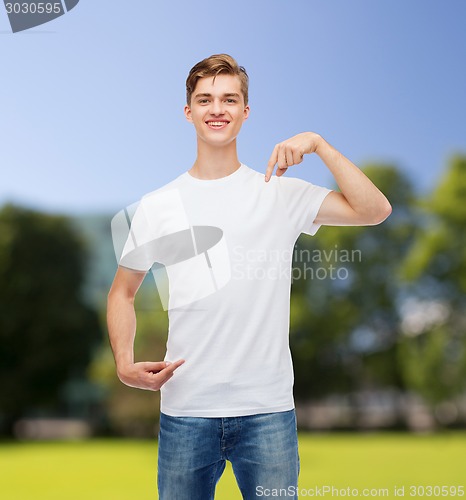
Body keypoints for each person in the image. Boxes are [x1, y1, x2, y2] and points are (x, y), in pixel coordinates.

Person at [107, 54, 392, 499]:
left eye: (229, 99)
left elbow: (375, 210)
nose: (217, 108)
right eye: (205, 99)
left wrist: (319, 144)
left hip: (267, 412)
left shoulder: (279, 193)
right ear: (188, 112)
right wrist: (124, 364)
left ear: (245, 111)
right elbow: (122, 293)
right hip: (186, 410)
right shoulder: (158, 205)